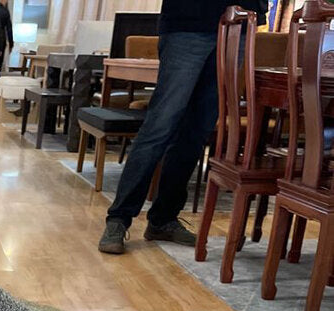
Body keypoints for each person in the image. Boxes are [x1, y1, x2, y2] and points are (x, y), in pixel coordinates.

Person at [98, 0, 268, 254]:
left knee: (197, 131)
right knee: (160, 126)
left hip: (239, 26)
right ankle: (118, 219)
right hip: (188, 23)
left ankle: (163, 219)